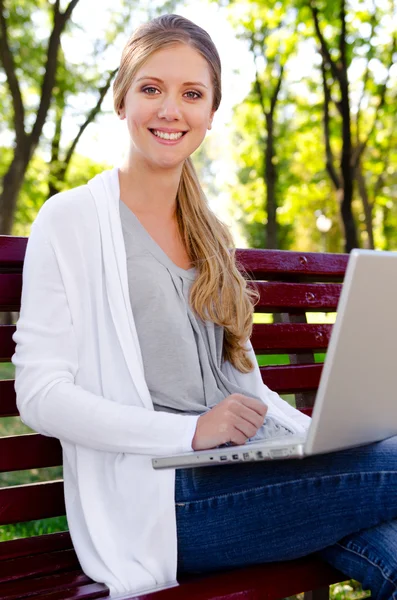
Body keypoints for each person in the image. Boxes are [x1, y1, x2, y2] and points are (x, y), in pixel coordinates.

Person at [12, 13, 397, 600]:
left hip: (259, 471)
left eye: (192, 94)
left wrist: (318, 436)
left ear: (211, 114)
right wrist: (190, 432)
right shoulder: (71, 220)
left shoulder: (210, 233)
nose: (171, 110)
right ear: (121, 99)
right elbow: (39, 395)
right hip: (167, 498)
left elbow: (252, 392)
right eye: (151, 89)